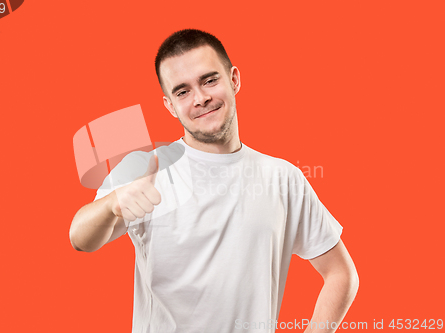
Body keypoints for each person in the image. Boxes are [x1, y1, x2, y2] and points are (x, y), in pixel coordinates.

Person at [69, 29, 359, 333]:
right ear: (169, 105)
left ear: (234, 79)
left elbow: (341, 274)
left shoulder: (282, 177)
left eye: (210, 80)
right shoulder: (146, 170)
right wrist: (112, 205)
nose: (201, 98)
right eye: (182, 92)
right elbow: (80, 238)